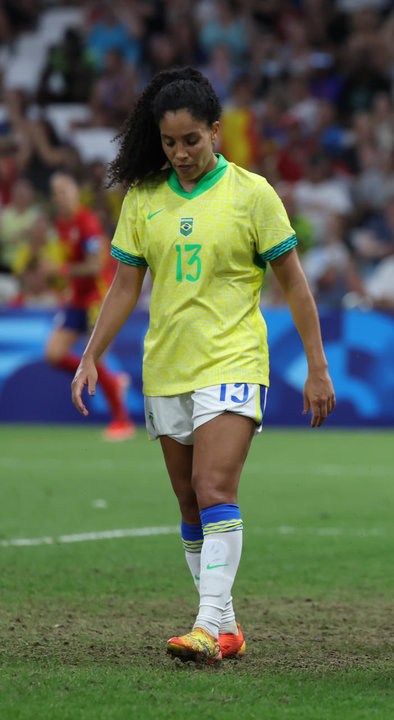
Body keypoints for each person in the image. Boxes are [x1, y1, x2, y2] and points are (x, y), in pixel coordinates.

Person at [70, 67, 336, 664]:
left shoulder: (252, 194)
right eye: (169, 142)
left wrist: (317, 366)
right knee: (190, 504)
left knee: (215, 487)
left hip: (234, 357)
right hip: (166, 366)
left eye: (191, 140)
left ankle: (207, 627)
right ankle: (229, 625)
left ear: (216, 132)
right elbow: (122, 287)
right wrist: (91, 355)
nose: (180, 152)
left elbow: (294, 285)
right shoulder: (144, 198)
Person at [47, 171, 136, 441]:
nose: (61, 198)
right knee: (53, 354)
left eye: (65, 192)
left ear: (75, 193)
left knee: (95, 360)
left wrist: (62, 270)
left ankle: (122, 421)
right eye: (56, 193)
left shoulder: (87, 222)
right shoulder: (62, 223)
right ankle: (114, 381)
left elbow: (96, 265)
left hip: (96, 297)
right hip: (76, 298)